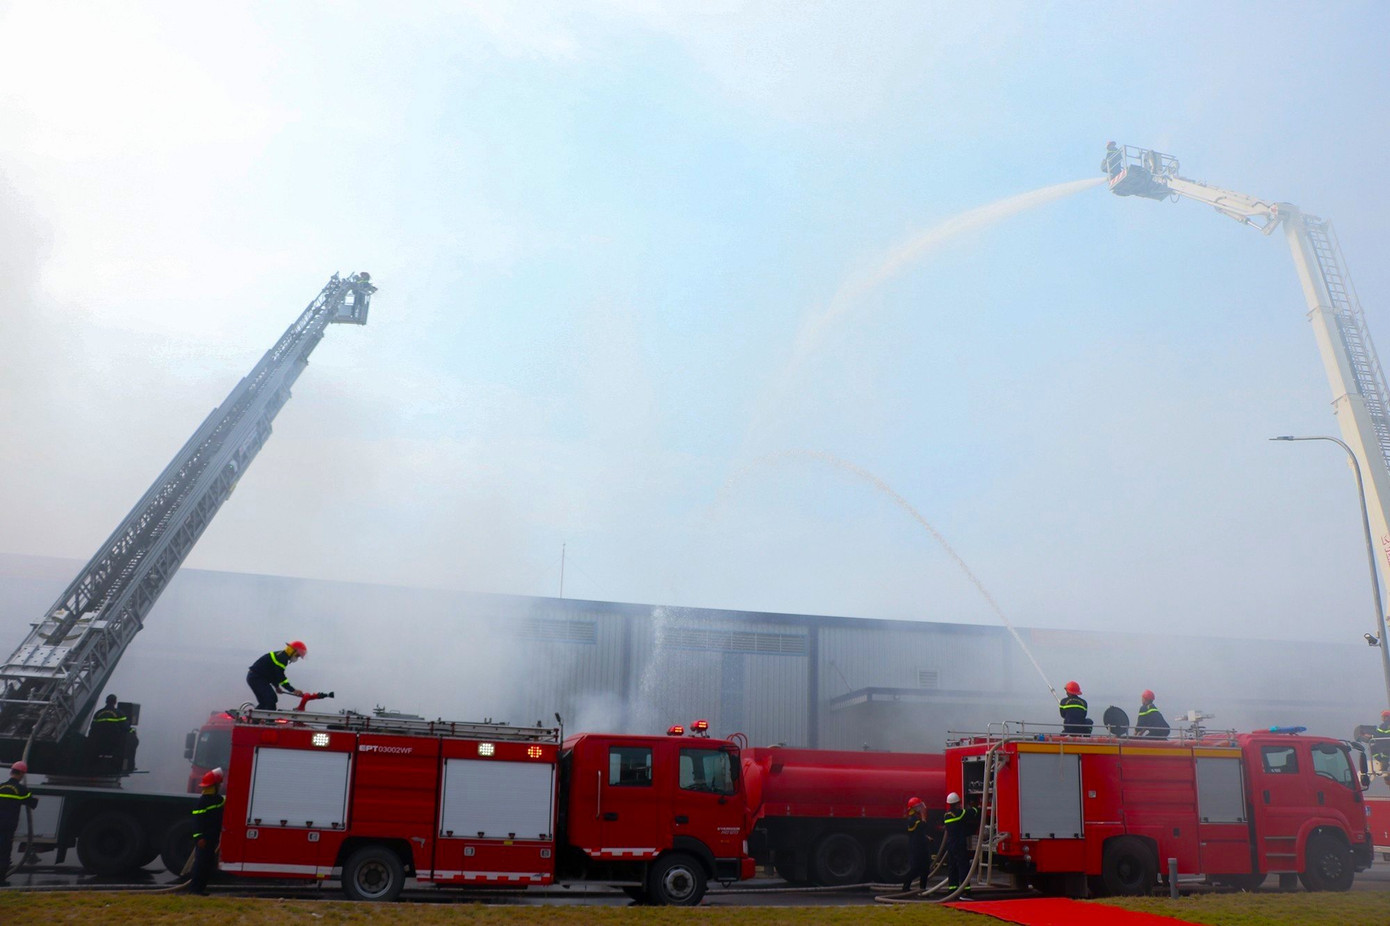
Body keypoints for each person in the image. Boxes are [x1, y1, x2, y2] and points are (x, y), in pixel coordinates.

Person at [0, 761, 38, 886]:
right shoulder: (21, 789)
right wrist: (35, 798)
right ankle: (1, 880)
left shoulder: (1, 786)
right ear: (21, 774)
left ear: (11, 772)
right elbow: (32, 803)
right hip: (8, 826)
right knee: (4, 852)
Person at [188, 767, 225, 895]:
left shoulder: (218, 799)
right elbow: (197, 822)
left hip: (212, 837)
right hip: (204, 839)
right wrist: (199, 838)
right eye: (218, 784)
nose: (220, 786)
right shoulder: (202, 802)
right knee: (201, 864)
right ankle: (194, 890)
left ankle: (200, 889)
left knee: (208, 864)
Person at [246, 641, 308, 710]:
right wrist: (293, 690)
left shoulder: (281, 656)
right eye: (297, 655)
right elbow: (280, 677)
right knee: (270, 699)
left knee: (266, 701)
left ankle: (255, 718)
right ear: (292, 651)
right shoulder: (282, 659)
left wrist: (276, 686)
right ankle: (266, 719)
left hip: (256, 677)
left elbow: (272, 674)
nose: (297, 658)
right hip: (256, 678)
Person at [87, 694, 130, 773]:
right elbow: (125, 727)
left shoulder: (98, 713)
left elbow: (92, 727)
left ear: (106, 701)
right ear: (115, 702)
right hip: (113, 742)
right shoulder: (119, 713)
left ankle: (93, 763)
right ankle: (118, 764)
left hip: (98, 742)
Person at [942, 791, 973, 896]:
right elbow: (970, 813)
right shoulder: (959, 813)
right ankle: (966, 889)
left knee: (952, 866)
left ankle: (952, 888)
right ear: (957, 803)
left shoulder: (947, 815)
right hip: (959, 844)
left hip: (950, 844)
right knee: (963, 865)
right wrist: (976, 808)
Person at [900, 796, 931, 892]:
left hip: (922, 846)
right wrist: (923, 816)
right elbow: (922, 826)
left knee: (925, 869)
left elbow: (919, 833)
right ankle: (905, 887)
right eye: (918, 806)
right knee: (915, 869)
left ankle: (922, 889)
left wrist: (926, 838)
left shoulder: (915, 818)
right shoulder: (912, 819)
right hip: (917, 848)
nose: (921, 808)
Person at [1370, 709, 1390, 775]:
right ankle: (1384, 764)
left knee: (1372, 748)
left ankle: (1382, 762)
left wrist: (1370, 736)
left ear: (1386, 717)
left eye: (1382, 717)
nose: (1382, 718)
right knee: (1386, 754)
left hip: (1385, 745)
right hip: (1387, 746)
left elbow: (1378, 735)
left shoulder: (1383, 725)